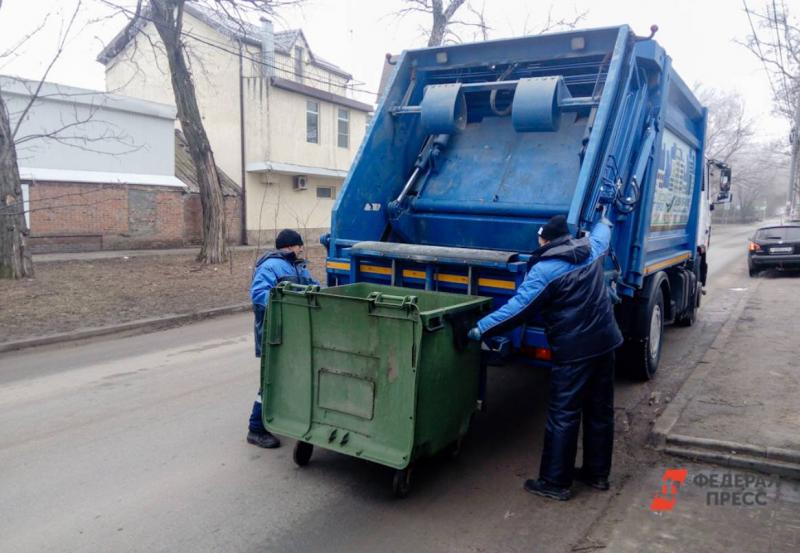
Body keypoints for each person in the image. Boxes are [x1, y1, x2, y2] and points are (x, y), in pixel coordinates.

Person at [468, 214, 622, 501]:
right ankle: (597, 475)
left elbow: (517, 309)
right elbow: (604, 236)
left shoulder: (545, 270)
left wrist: (481, 328)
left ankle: (555, 483)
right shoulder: (589, 248)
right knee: (600, 411)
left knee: (563, 414)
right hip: (605, 342)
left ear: (544, 240)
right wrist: (605, 220)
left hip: (574, 351)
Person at [247, 229, 319, 449]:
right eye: (299, 246)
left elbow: (313, 287)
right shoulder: (271, 266)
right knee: (271, 380)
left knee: (292, 377)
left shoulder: (297, 266)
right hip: (274, 335)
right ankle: (255, 429)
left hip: (294, 333)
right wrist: (290, 305)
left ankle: (284, 418)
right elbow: (259, 294)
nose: (301, 249)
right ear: (289, 246)